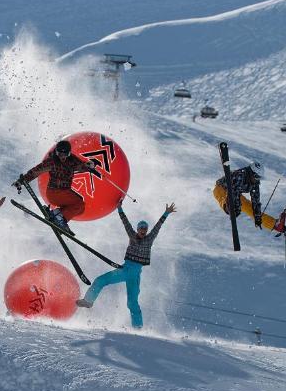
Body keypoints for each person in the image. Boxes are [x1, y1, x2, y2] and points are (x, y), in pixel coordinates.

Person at [75, 200, 175, 329]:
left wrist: (166, 213)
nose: (143, 231)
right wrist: (120, 209)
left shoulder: (149, 239)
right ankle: (89, 301)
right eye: (141, 228)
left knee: (129, 301)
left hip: (134, 273)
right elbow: (126, 223)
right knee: (105, 283)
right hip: (128, 269)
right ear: (138, 229)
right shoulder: (132, 236)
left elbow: (157, 227)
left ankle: (137, 328)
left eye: (145, 229)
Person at [13, 140, 97, 234]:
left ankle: (57, 215)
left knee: (80, 208)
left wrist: (89, 165)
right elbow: (36, 171)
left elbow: (81, 166)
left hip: (64, 192)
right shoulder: (52, 161)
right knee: (79, 204)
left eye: (65, 154)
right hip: (54, 192)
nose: (62, 157)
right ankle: (59, 218)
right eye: (59, 154)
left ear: (69, 153)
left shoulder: (72, 160)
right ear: (56, 152)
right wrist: (22, 181)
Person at [214, 160, 269, 229]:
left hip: (234, 192)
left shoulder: (255, 182)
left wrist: (257, 217)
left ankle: (275, 225)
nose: (257, 180)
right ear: (251, 173)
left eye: (259, 178)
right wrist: (234, 208)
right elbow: (234, 192)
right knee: (233, 207)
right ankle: (227, 207)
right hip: (220, 188)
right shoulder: (240, 175)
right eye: (256, 177)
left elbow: (256, 200)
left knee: (248, 206)